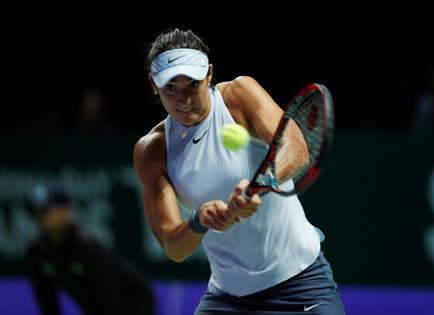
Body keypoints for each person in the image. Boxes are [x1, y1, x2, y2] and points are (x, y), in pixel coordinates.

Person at [134, 28, 346, 314]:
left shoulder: (238, 96)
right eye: (170, 87)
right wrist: (199, 220)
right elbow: (174, 248)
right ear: (153, 83)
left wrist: (261, 183)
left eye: (192, 84)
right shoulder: (152, 151)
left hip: (301, 283)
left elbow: (296, 147)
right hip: (227, 299)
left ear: (209, 73)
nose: (183, 99)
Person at [24, 181, 154, 315]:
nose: (40, 217)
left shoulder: (86, 247)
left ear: (66, 210)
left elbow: (109, 299)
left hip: (133, 301)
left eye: (47, 210)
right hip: (94, 305)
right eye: (36, 212)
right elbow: (46, 299)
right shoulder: (36, 251)